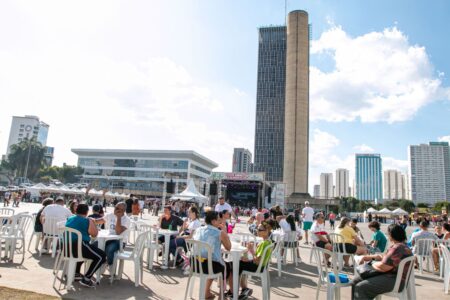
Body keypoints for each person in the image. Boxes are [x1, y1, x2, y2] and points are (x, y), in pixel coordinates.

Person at [352, 224, 412, 300]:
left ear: (391, 235)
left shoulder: (396, 248)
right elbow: (385, 256)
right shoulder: (403, 246)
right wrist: (368, 257)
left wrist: (372, 263)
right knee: (355, 281)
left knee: (361, 287)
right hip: (395, 278)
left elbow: (383, 267)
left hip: (393, 280)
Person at [193, 211, 233, 299]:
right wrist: (224, 232)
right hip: (208, 266)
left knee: (211, 260)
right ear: (213, 221)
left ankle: (206, 292)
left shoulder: (198, 229)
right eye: (219, 220)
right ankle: (221, 295)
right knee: (226, 265)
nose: (220, 221)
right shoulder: (219, 232)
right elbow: (229, 247)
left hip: (195, 264)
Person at [65, 203, 107, 287]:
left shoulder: (70, 218)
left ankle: (76, 273)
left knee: (88, 251)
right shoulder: (86, 220)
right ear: (87, 212)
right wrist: (91, 221)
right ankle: (87, 279)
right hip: (79, 247)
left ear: (76, 210)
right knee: (101, 256)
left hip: (67, 248)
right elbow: (94, 234)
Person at [238, 221, 273, 299]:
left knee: (236, 266)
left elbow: (257, 260)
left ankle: (236, 290)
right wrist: (248, 259)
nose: (257, 231)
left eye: (260, 230)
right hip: (262, 266)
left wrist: (251, 250)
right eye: (257, 229)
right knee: (241, 262)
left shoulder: (264, 243)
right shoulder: (268, 241)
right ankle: (244, 289)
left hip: (258, 267)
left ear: (266, 231)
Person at [95, 202, 131, 269]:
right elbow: (99, 221)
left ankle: (110, 265)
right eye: (115, 207)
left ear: (123, 211)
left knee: (109, 249)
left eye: (117, 208)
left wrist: (118, 217)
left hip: (119, 241)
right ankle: (101, 261)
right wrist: (89, 220)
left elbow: (118, 232)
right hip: (107, 239)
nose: (115, 209)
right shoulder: (109, 215)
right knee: (94, 246)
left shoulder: (126, 220)